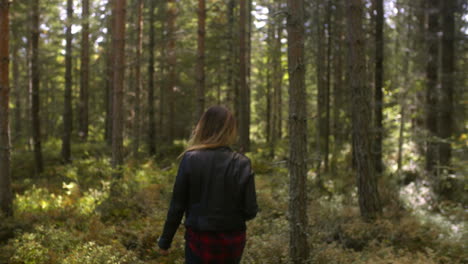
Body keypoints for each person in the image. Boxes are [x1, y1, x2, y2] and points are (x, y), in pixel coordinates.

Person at [157, 106, 258, 264]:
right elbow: (250, 211)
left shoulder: (190, 159)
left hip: (199, 240)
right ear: (230, 130)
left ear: (203, 127)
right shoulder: (242, 163)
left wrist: (165, 241)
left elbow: (177, 206)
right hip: (233, 241)